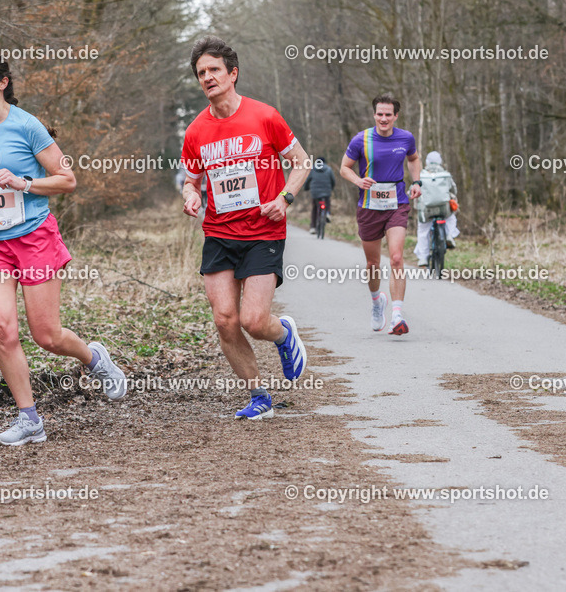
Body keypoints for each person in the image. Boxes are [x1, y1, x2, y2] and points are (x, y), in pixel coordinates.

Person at [0, 51, 127, 446]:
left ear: (2, 82)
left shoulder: (27, 126)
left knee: (47, 336)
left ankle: (94, 358)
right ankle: (29, 419)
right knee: (1, 327)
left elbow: (66, 179)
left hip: (34, 237)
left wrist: (24, 183)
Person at [180, 36, 310, 420]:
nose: (207, 77)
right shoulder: (196, 131)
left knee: (254, 321)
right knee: (225, 320)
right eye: (201, 72)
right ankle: (258, 395)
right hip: (219, 233)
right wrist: (191, 196)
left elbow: (302, 162)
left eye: (214, 70)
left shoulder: (265, 116)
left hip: (263, 231)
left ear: (232, 73)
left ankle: (283, 334)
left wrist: (284, 198)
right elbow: (191, 180)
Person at [340, 93, 421, 335]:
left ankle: (397, 315)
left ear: (396, 116)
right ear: (374, 114)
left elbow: (414, 159)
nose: (383, 119)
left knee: (396, 258)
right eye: (379, 114)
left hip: (397, 204)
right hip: (369, 206)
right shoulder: (361, 139)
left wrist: (417, 181)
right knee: (373, 263)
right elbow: (344, 167)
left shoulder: (406, 138)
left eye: (388, 114)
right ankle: (377, 302)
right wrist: (358, 180)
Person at [413, 151, 460, 267]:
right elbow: (454, 190)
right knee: (451, 217)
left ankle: (423, 257)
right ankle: (449, 235)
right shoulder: (446, 175)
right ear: (440, 162)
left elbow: (413, 190)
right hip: (443, 209)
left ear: (427, 162)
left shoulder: (421, 175)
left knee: (423, 230)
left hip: (426, 211)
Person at [304, 156, 335, 233]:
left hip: (315, 192)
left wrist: (306, 188)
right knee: (327, 202)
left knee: (315, 208)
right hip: (326, 191)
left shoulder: (312, 169)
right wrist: (331, 188)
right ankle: (327, 213)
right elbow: (333, 181)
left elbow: (307, 180)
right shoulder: (329, 169)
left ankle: (313, 227)